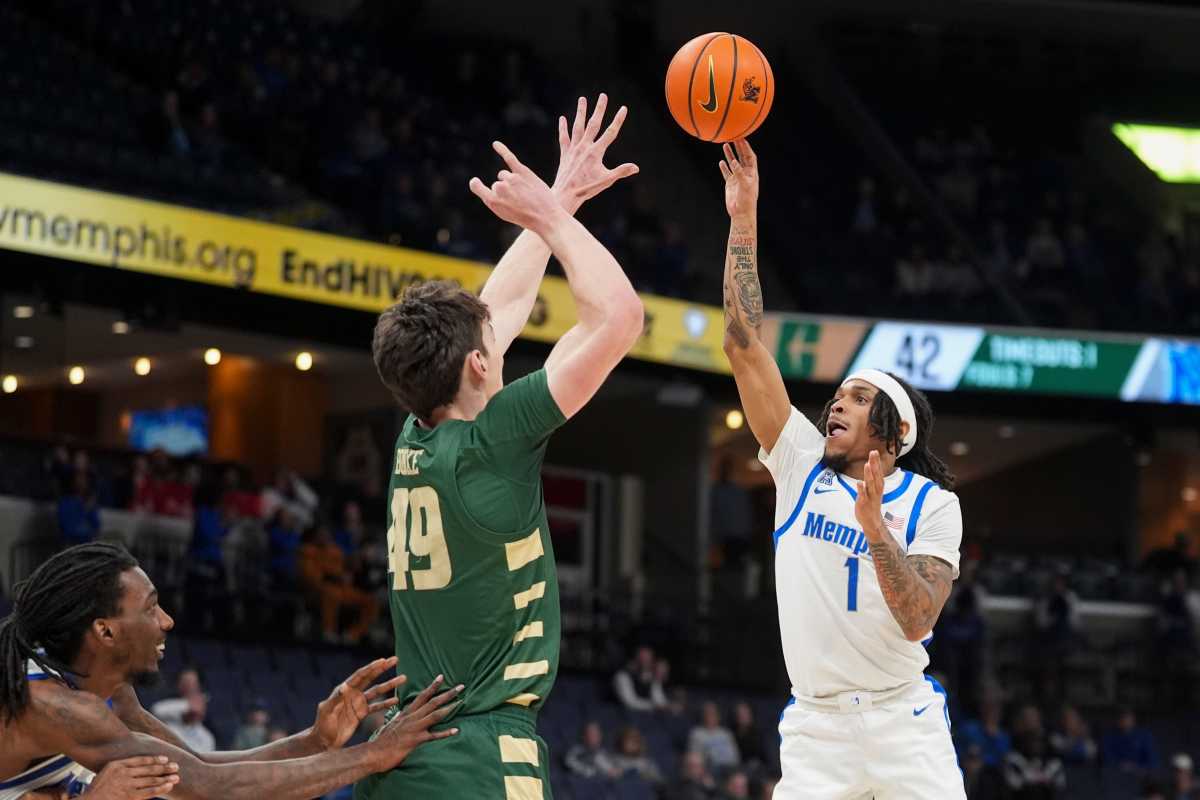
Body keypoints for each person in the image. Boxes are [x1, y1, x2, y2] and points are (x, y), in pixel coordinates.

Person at [354, 93, 641, 800]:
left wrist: (564, 197)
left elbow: (500, 308)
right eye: (490, 345)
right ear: (480, 368)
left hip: (408, 749)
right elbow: (620, 319)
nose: (499, 330)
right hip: (481, 755)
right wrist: (547, 216)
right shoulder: (495, 441)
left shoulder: (416, 433)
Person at [717, 138, 965, 797]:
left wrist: (875, 529)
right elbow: (743, 349)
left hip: (903, 722)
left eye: (858, 398)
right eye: (837, 396)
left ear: (894, 429)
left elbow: (918, 620)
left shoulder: (932, 505)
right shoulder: (800, 464)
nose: (836, 404)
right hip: (817, 729)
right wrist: (744, 217)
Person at [0, 543, 461, 799]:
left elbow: (197, 772)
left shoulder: (107, 693)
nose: (167, 621)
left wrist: (314, 742)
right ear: (104, 632)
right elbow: (214, 792)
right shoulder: (52, 706)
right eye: (151, 608)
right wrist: (374, 755)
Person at [298, 523, 380, 644]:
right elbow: (312, 578)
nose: (324, 536)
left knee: (370, 602)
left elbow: (347, 568)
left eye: (326, 533)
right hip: (318, 590)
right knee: (331, 594)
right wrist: (335, 577)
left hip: (342, 589)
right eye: (321, 533)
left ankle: (352, 635)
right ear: (314, 535)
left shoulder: (335, 550)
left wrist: (357, 561)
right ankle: (328, 633)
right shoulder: (307, 551)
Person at [689, 701, 740, 774]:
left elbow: (735, 755)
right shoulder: (697, 733)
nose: (711, 716)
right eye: (708, 713)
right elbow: (695, 757)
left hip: (730, 767)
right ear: (703, 716)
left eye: (713, 714)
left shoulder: (726, 733)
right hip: (710, 768)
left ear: (718, 716)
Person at [613, 645, 668, 712]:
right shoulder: (623, 675)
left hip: (646, 717)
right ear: (635, 658)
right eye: (642, 658)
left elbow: (659, 699)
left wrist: (669, 706)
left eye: (648, 659)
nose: (646, 661)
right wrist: (654, 706)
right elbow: (630, 702)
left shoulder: (652, 678)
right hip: (621, 715)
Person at [1103, 708, 1159, 773]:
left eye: (1129, 719)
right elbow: (1107, 757)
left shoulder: (1145, 736)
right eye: (1123, 719)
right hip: (1117, 772)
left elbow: (1153, 761)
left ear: (1134, 720)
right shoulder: (1110, 736)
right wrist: (1120, 764)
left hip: (1140, 772)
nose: (1126, 722)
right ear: (1118, 721)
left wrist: (1136, 767)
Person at [57, 471, 101, 546]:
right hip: (71, 545)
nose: (81, 483)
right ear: (72, 482)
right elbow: (67, 528)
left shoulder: (90, 503)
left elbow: (96, 526)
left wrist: (89, 509)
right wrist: (85, 510)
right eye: (78, 479)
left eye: (84, 480)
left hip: (87, 544)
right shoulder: (65, 502)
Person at [731, 701, 766, 774]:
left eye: (745, 714)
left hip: (754, 765)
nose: (743, 717)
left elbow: (760, 755)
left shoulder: (757, 733)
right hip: (737, 764)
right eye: (740, 714)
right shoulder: (732, 732)